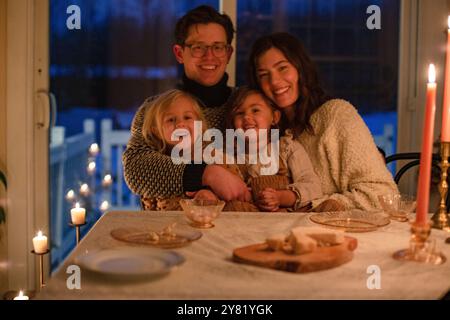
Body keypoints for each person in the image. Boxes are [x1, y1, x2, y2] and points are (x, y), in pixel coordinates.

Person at [247, 32, 399, 211]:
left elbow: (382, 195)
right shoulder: (267, 135)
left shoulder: (336, 115)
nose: (274, 81)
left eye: (282, 68)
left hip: (338, 233)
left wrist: (322, 206)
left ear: (300, 68)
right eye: (264, 75)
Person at [123, 5, 252, 203]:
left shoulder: (246, 107)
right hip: (173, 226)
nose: (209, 56)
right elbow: (136, 167)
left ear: (228, 53)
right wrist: (207, 174)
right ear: (179, 53)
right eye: (198, 47)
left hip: (241, 220)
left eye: (217, 47)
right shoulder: (155, 109)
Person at [226, 86, 324, 212]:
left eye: (255, 110)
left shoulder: (286, 148)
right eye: (239, 113)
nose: (246, 117)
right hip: (254, 216)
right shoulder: (231, 157)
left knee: (330, 206)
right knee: (233, 208)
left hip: (289, 215)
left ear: (274, 117)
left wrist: (280, 197)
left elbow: (313, 187)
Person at [140, 89, 218, 210]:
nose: (181, 124)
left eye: (187, 117)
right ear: (156, 131)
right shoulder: (158, 167)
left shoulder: (215, 157)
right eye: (171, 119)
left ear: (201, 125)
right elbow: (151, 209)